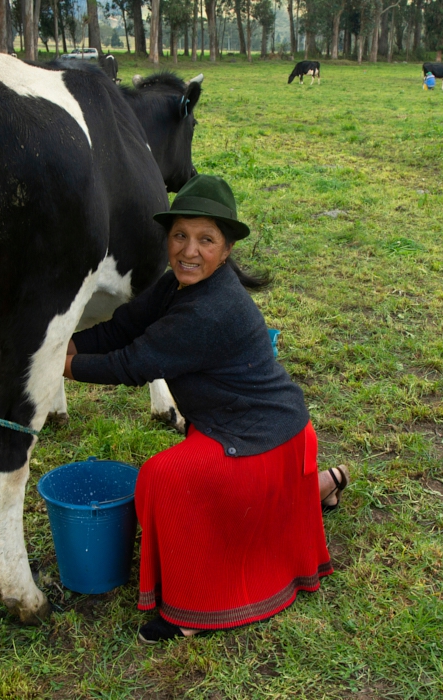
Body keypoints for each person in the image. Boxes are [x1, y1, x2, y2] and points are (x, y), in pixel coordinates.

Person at [63, 174, 350, 643]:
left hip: (264, 441)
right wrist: (60, 345)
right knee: (199, 480)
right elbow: (122, 329)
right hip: (252, 430)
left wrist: (60, 368)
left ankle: (192, 612)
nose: (188, 250)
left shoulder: (211, 309)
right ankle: (317, 486)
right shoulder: (174, 285)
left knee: (161, 477)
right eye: (180, 235)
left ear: (227, 248)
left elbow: (133, 363)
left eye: (205, 240)